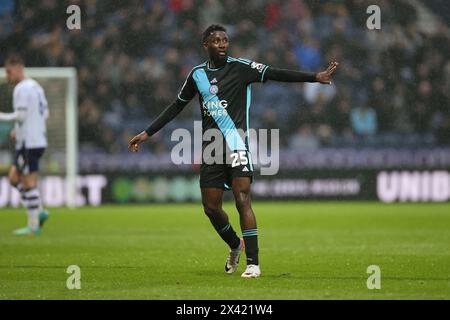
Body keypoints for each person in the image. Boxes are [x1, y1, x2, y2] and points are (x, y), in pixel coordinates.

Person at [128, 25, 338, 278]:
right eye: (216, 40)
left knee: (242, 200)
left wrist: (315, 77)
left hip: (237, 143)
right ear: (205, 44)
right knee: (211, 208)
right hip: (211, 147)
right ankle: (235, 245)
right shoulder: (197, 75)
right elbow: (176, 107)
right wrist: (147, 133)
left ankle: (253, 263)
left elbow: (275, 73)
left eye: (225, 40)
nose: (222, 44)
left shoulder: (241, 68)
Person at [0, 55, 49, 236]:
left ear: (19, 68)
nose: (7, 76)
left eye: (9, 72)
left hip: (30, 142)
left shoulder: (21, 88)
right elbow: (45, 113)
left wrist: (2, 117)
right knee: (14, 178)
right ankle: (40, 210)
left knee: (28, 183)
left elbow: (20, 116)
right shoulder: (36, 86)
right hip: (34, 140)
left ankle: (34, 225)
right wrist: (18, 129)